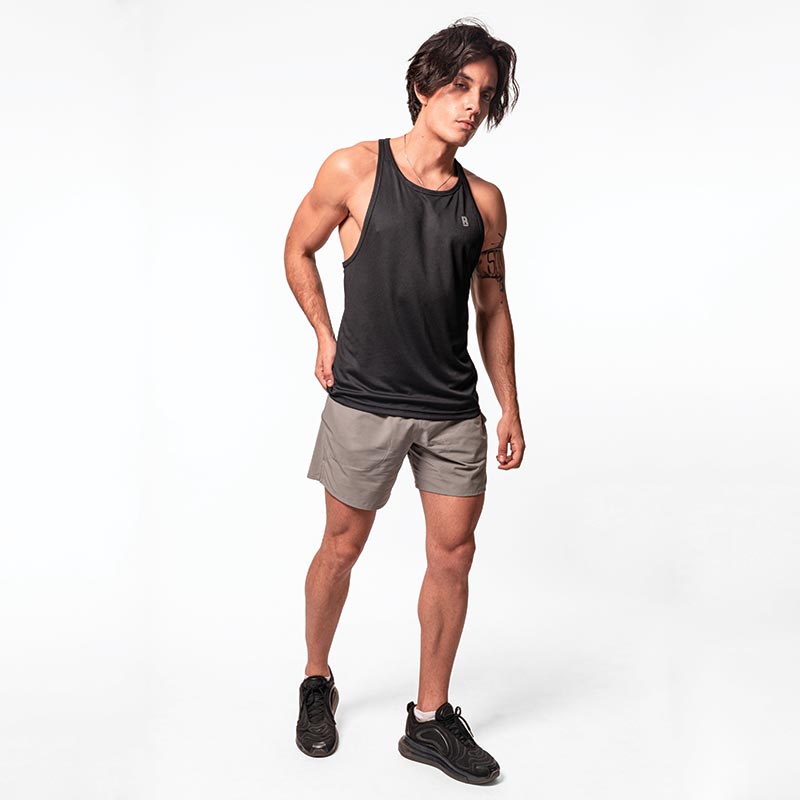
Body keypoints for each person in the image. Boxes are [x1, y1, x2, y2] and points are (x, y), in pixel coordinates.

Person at [284, 18, 524, 785]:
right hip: (364, 399)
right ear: (423, 86)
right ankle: (316, 679)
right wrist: (324, 335)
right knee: (341, 546)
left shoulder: (484, 203)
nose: (472, 105)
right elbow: (298, 249)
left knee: (454, 556)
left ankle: (429, 718)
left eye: (484, 94)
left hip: (452, 409)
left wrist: (510, 405)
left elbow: (492, 306)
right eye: (459, 86)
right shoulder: (354, 169)